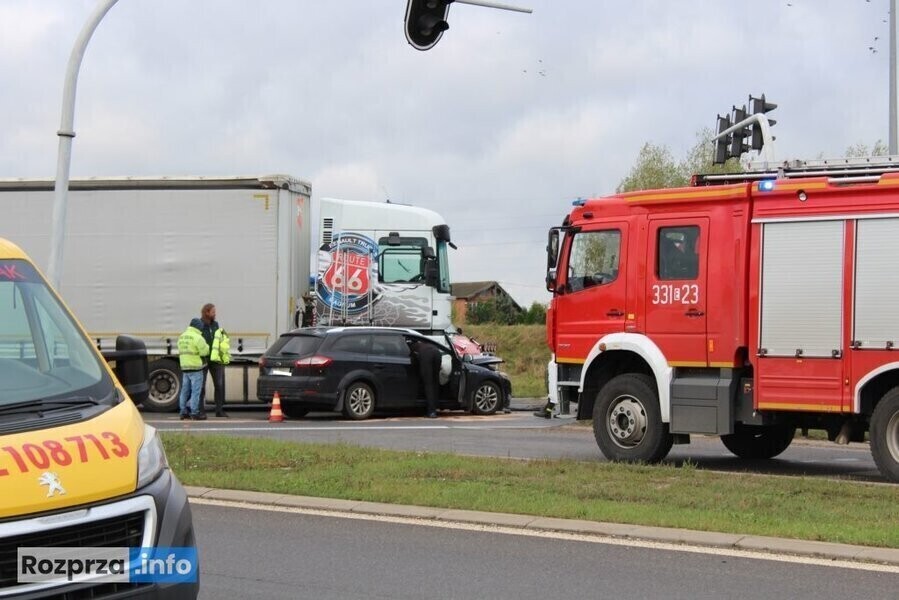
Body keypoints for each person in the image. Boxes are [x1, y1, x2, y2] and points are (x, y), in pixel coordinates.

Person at [198, 303, 228, 417]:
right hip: (204, 359)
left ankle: (219, 410)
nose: (215, 314)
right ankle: (201, 410)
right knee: (201, 386)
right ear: (207, 312)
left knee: (219, 385)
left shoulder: (215, 325)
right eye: (213, 312)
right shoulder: (200, 325)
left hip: (216, 359)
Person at [177, 318, 209, 420]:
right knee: (196, 391)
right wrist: (207, 346)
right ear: (198, 327)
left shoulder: (182, 336)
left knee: (184, 391)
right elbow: (204, 352)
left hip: (185, 367)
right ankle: (195, 412)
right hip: (195, 368)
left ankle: (183, 412)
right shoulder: (198, 337)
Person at [409, 338, 442, 418]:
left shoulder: (412, 347)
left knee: (428, 384)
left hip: (427, 355)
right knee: (435, 382)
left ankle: (431, 412)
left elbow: (413, 359)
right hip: (437, 352)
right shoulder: (423, 343)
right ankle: (435, 407)